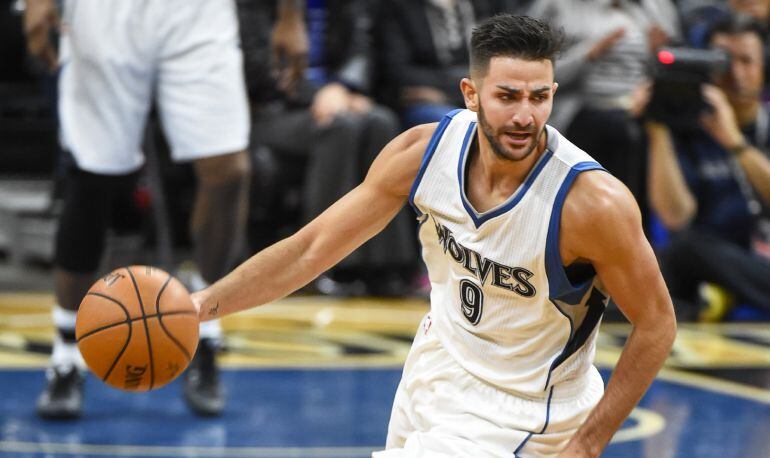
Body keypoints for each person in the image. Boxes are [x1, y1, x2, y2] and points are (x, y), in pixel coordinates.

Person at [191, 14, 676, 456]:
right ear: (470, 94)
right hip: (433, 369)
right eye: (507, 96)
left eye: (539, 96)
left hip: (526, 412)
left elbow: (657, 324)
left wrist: (588, 445)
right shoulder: (423, 153)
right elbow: (310, 249)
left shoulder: (592, 204)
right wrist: (199, 308)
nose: (526, 116)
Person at [23, 0, 306, 418]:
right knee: (91, 179)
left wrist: (290, 16)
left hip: (197, 13)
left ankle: (206, 328)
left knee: (229, 171)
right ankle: (67, 354)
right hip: (105, 14)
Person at [646, 12, 770, 320]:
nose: (736, 74)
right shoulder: (688, 130)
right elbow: (676, 218)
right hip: (715, 261)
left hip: (760, 262)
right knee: (683, 250)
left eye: (747, 61)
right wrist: (658, 132)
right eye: (724, 62)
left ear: (764, 68)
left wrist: (735, 143)